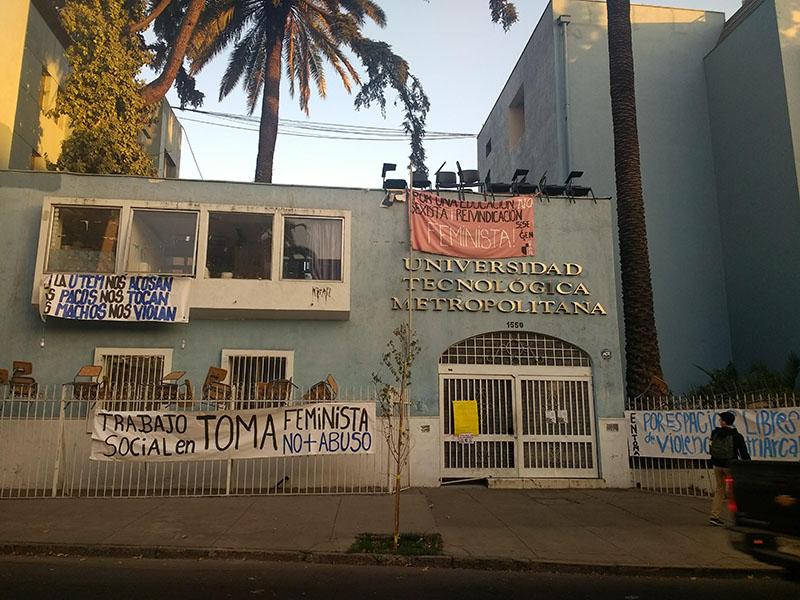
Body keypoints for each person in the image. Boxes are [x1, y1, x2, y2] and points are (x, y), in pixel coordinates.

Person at [709, 411, 750, 526]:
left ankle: (714, 516)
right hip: (730, 467)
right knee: (734, 491)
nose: (719, 421)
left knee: (719, 490)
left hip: (717, 466)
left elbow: (711, 448)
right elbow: (744, 454)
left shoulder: (714, 433)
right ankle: (738, 516)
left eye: (720, 419)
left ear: (724, 422)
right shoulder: (736, 436)